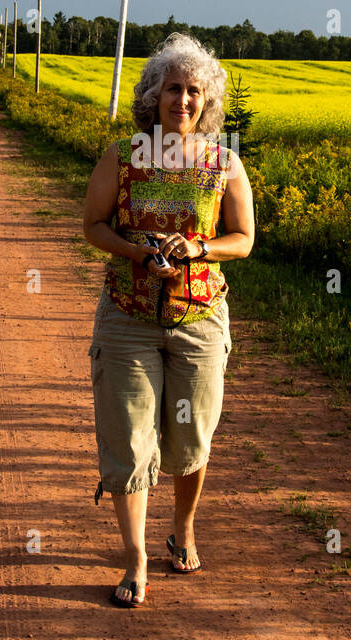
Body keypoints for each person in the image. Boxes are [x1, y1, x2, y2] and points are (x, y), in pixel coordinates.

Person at [82, 32, 255, 606]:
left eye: (194, 91)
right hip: (128, 317)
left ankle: (182, 528)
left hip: (201, 316)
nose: (183, 99)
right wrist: (137, 253)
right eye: (172, 88)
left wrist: (196, 250)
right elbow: (93, 225)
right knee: (128, 442)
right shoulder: (122, 157)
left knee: (190, 438)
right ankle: (134, 561)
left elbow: (243, 239)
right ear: (153, 96)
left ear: (207, 102)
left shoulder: (223, 163)